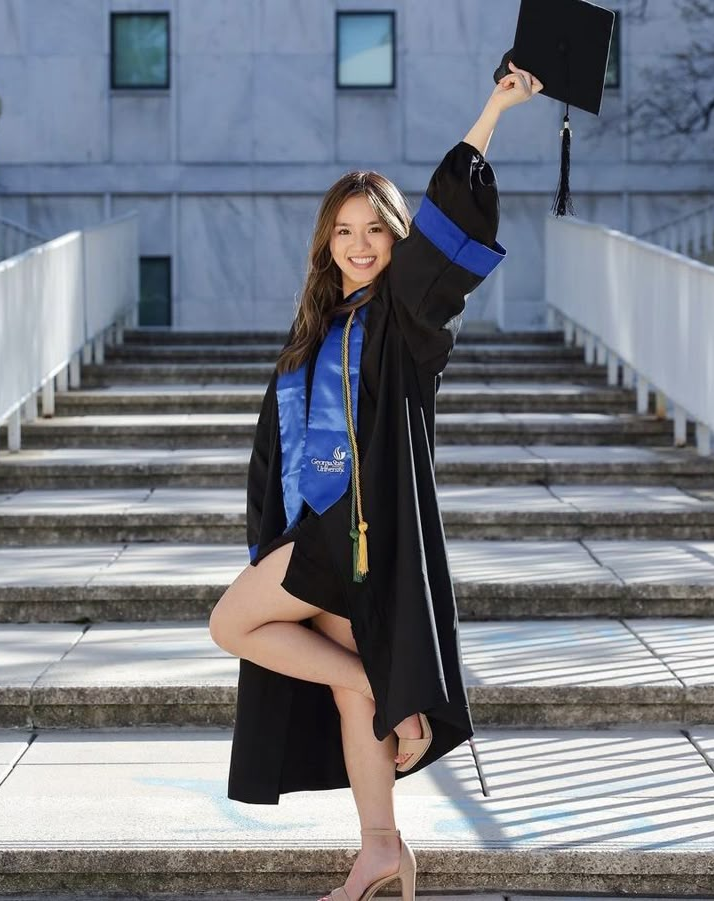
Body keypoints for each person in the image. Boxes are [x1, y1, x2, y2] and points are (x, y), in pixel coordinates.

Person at [209, 61, 543, 901]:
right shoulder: (316, 331)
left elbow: (445, 235)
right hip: (313, 529)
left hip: (355, 533)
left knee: (231, 622)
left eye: (376, 231)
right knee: (349, 679)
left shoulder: (403, 320)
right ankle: (381, 845)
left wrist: (493, 111)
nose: (360, 244)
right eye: (345, 230)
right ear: (327, 240)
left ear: (397, 241)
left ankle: (376, 692)